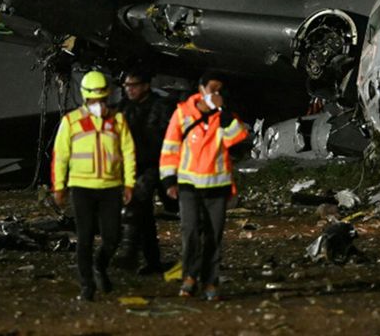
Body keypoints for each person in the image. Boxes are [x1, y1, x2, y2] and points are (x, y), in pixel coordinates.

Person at [159, 71, 249, 301]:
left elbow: (237, 138)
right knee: (190, 233)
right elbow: (170, 148)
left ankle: (210, 282)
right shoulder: (182, 114)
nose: (216, 93)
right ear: (201, 89)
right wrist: (169, 181)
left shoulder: (223, 117)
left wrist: (224, 112)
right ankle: (190, 276)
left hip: (217, 186)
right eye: (212, 89)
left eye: (220, 89)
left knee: (213, 237)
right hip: (189, 185)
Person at [52, 70, 135, 301]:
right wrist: (59, 187)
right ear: (86, 97)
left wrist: (129, 183)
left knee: (112, 237)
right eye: (93, 99)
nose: (98, 103)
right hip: (82, 187)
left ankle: (100, 265)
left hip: (110, 186)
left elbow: (128, 153)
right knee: (85, 237)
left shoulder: (117, 121)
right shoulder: (71, 122)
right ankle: (87, 286)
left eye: (101, 98)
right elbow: (61, 155)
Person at [114, 69, 173, 274]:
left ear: (145, 86)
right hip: (133, 165)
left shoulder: (161, 107)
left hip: (155, 164)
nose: (130, 90)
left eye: (134, 85)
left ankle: (129, 253)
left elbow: (168, 139)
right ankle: (152, 261)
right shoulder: (124, 108)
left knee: (135, 204)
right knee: (144, 215)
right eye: (127, 86)